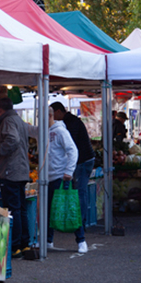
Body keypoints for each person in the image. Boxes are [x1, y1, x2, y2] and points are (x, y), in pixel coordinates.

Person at [0, 98, 30, 259]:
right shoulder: (19, 120)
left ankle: (15, 246)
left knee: (13, 209)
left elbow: (13, 139)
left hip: (10, 171)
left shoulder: (7, 121)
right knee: (21, 208)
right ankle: (24, 244)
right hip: (21, 170)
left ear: (0, 110)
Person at [51, 102, 95, 241]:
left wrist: (68, 168)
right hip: (84, 159)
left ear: (58, 111)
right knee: (79, 192)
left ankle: (79, 223)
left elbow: (71, 147)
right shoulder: (70, 121)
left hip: (83, 160)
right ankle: (78, 222)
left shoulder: (70, 123)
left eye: (53, 114)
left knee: (79, 192)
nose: (52, 118)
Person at [41, 106, 82, 253]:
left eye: (41, 117)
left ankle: (81, 240)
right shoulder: (43, 132)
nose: (40, 120)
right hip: (47, 178)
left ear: (50, 116)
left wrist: (68, 171)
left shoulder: (60, 131)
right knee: (48, 211)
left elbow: (73, 150)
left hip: (60, 177)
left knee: (69, 209)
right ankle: (48, 240)